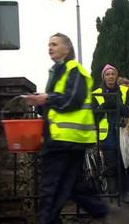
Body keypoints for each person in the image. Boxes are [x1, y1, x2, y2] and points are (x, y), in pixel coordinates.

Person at [24, 33, 107, 224]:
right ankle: (103, 211)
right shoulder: (57, 71)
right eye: (48, 44)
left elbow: (73, 100)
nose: (50, 48)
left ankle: (101, 212)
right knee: (71, 187)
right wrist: (41, 102)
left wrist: (47, 98)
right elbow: (57, 103)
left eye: (54, 44)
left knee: (51, 191)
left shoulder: (74, 70)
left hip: (66, 141)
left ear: (67, 49)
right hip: (62, 140)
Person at [92, 64, 129, 204]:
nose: (110, 76)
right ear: (103, 77)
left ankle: (124, 192)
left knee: (124, 163)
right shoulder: (96, 93)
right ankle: (112, 194)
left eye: (113, 74)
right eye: (107, 74)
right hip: (107, 134)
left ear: (117, 76)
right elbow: (93, 116)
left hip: (122, 132)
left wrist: (118, 104)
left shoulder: (124, 90)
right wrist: (103, 107)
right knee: (110, 165)